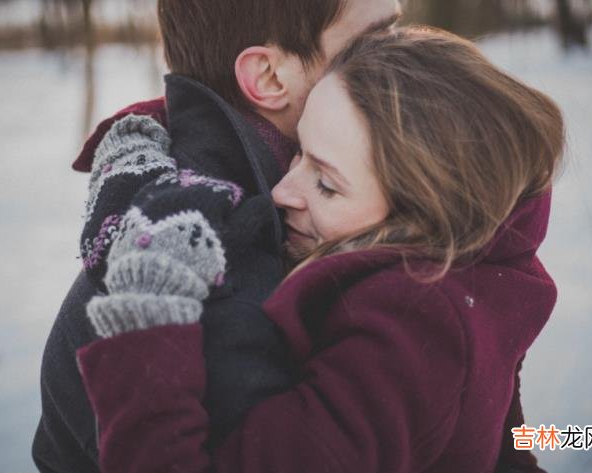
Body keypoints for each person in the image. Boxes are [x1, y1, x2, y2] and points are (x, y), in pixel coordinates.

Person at [75, 26, 565, 472]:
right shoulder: (478, 273)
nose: (283, 192)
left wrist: (146, 317)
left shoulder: (407, 336)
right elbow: (506, 445)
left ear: (422, 214)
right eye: (299, 151)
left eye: (327, 184)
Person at [32, 1, 402, 471]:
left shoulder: (313, 207)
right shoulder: (221, 288)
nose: (404, 57)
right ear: (268, 77)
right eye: (374, 41)